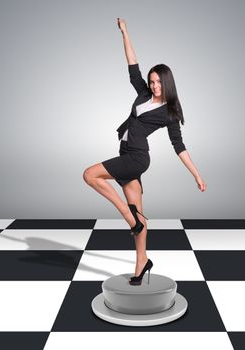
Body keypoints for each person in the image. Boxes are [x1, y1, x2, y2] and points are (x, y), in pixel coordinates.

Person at [83, 18, 207, 286]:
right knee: (140, 212)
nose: (154, 86)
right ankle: (142, 262)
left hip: (136, 158)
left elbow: (179, 146)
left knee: (90, 175)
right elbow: (132, 67)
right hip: (127, 151)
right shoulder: (142, 94)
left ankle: (129, 219)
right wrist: (125, 33)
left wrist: (196, 175)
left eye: (158, 83)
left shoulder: (170, 112)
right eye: (151, 82)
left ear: (167, 83)